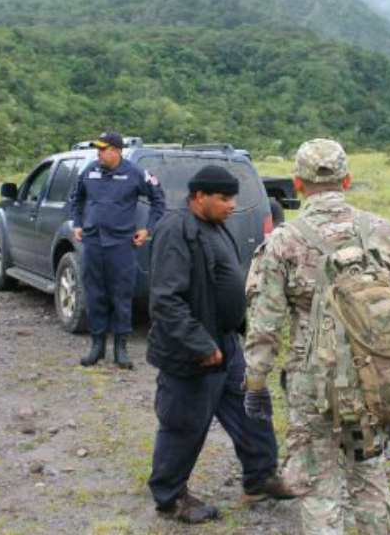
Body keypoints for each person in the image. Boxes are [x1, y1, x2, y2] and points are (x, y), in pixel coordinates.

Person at [244, 139, 390, 535]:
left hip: (314, 381)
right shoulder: (382, 231)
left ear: (297, 183)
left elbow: (265, 324)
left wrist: (255, 383)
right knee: (369, 472)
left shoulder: (283, 241)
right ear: (347, 180)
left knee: (319, 483)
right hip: (376, 374)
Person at [146, 165, 295, 524]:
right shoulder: (176, 229)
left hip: (225, 345)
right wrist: (199, 343)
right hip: (192, 353)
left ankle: (260, 478)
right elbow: (166, 299)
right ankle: (170, 497)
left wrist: (242, 328)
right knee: (184, 423)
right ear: (199, 196)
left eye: (233, 197)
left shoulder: (213, 226)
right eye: (224, 198)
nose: (232, 205)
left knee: (251, 409)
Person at [70, 131, 166, 369]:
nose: (99, 153)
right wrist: (78, 224)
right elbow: (76, 198)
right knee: (94, 295)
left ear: (117, 151)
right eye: (98, 149)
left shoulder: (134, 173)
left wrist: (148, 229)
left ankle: (121, 349)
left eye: (103, 149)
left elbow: (158, 200)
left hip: (121, 244)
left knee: (121, 296)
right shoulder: (90, 170)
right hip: (93, 243)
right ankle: (97, 346)